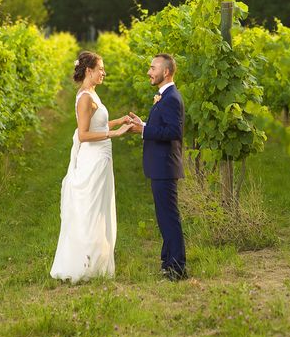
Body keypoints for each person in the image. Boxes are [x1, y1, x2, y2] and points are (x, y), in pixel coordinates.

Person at [50, 51, 132, 283]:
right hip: (93, 159)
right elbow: (84, 134)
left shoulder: (92, 93)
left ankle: (96, 262)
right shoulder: (85, 97)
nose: (104, 73)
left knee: (100, 210)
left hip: (102, 158)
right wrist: (113, 133)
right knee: (90, 211)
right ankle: (84, 265)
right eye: (101, 69)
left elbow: (99, 122)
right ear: (89, 71)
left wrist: (120, 121)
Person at [129, 53, 187, 281]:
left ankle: (177, 268)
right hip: (160, 167)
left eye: (153, 68)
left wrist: (142, 131)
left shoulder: (172, 97)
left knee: (169, 217)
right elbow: (162, 127)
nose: (149, 72)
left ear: (166, 72)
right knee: (164, 217)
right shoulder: (165, 96)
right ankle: (168, 262)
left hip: (165, 167)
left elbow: (174, 132)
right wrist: (142, 124)